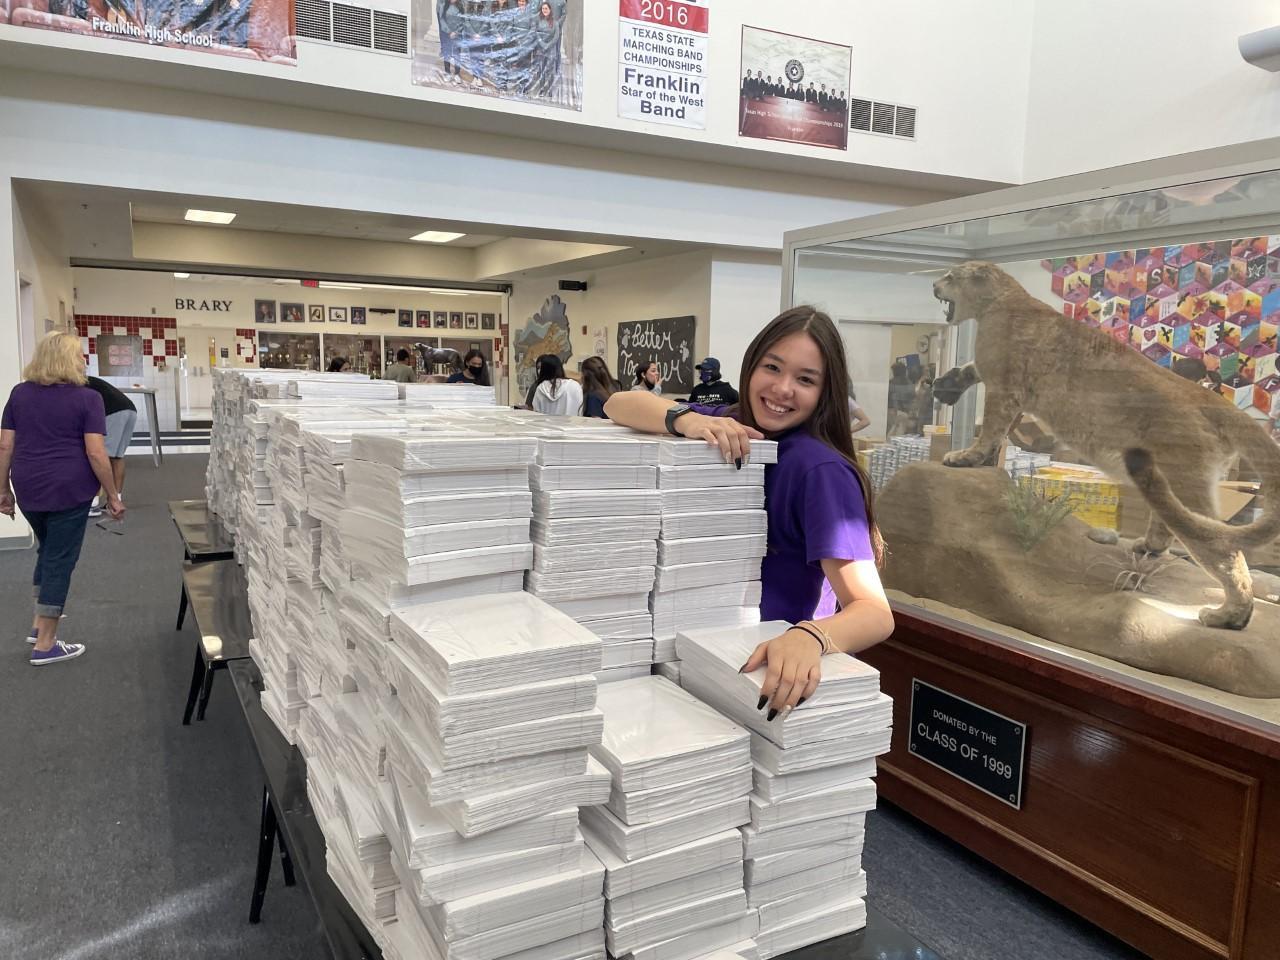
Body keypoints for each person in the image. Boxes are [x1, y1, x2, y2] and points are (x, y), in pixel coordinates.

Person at [604, 307, 893, 715]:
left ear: (826, 391)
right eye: (772, 367)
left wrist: (810, 637)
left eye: (805, 379)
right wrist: (685, 420)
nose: (782, 388)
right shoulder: (735, 424)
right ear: (751, 365)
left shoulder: (820, 471)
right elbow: (617, 403)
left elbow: (875, 613)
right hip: (705, 662)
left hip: (775, 675)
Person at [0, 332, 126, 666]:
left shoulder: (19, 394)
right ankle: (46, 644)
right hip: (70, 489)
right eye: (80, 354)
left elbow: (5, 445)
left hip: (28, 486)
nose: (84, 359)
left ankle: (38, 624)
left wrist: (3, 489)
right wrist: (113, 495)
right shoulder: (88, 399)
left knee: (48, 550)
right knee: (60, 559)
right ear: (70, 359)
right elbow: (96, 453)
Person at [84, 376, 137, 518]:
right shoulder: (89, 381)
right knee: (118, 456)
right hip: (130, 410)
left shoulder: (75, 384)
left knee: (100, 456)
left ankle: (93, 504)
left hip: (113, 412)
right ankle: (116, 500)